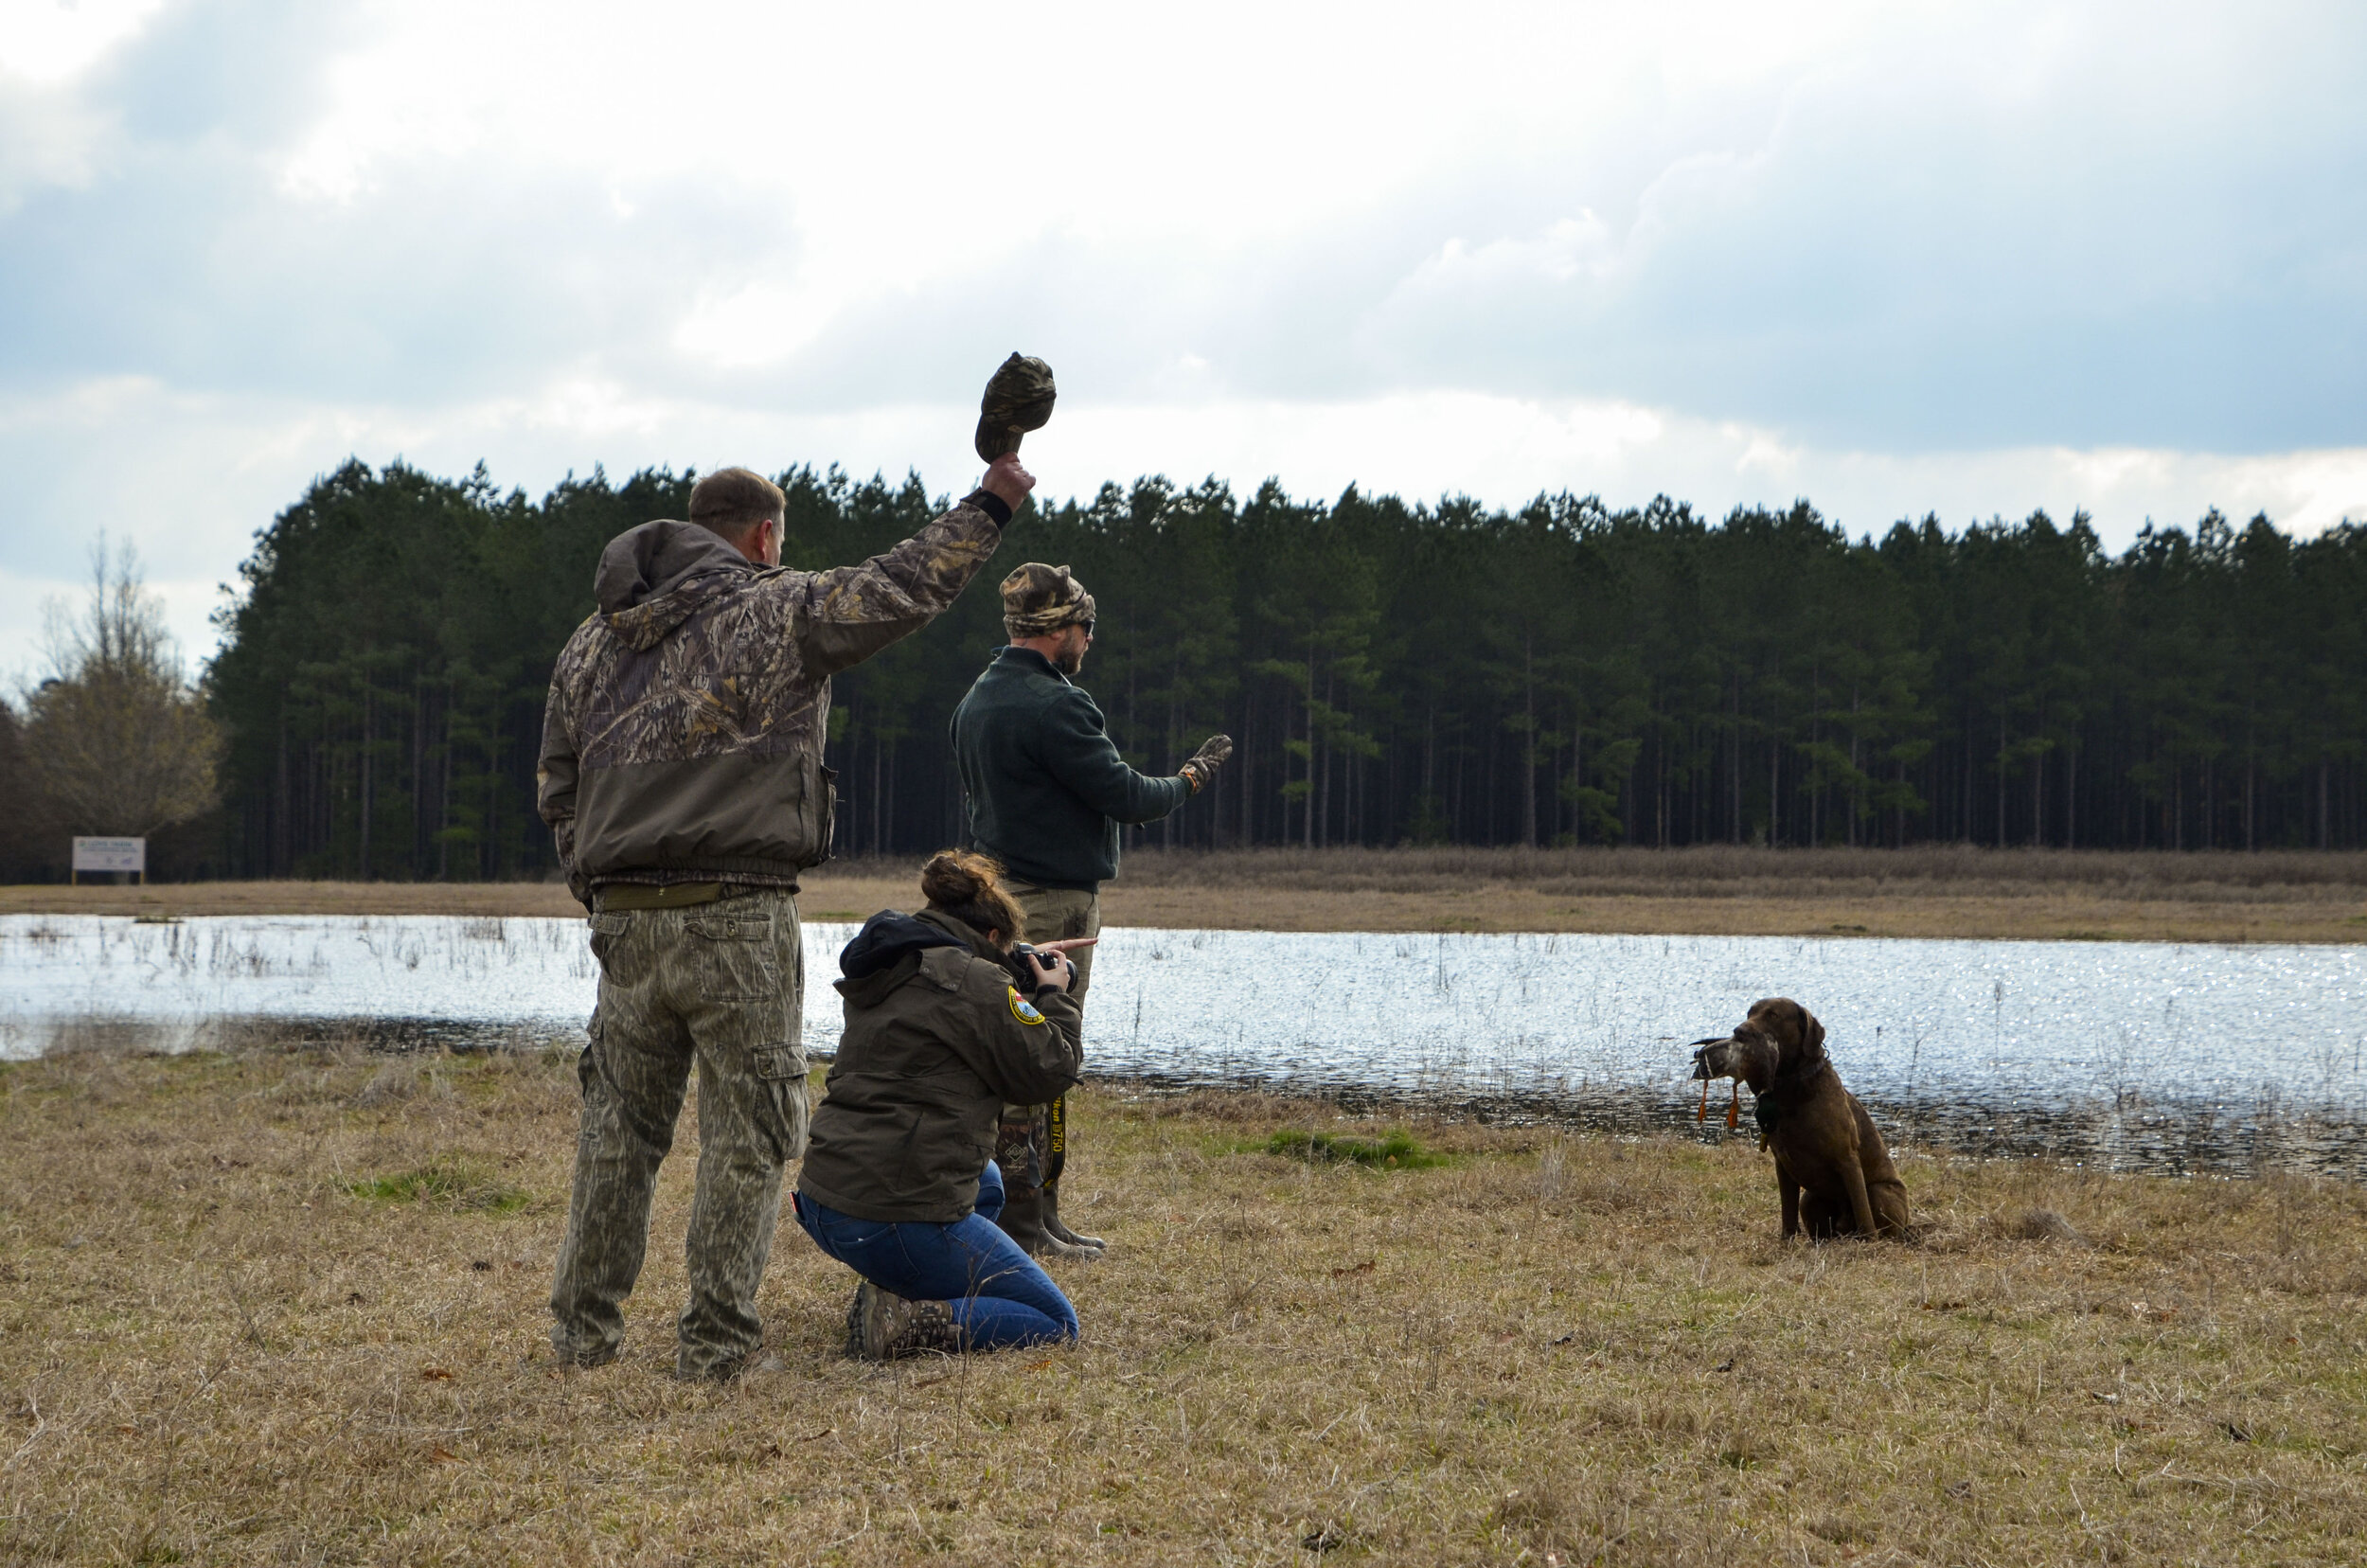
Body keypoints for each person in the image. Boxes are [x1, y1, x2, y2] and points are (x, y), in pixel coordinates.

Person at [535, 453, 1031, 1380]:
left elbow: (556, 787)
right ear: (764, 539)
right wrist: (991, 505)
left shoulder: (588, 646)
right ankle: (716, 1348)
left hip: (625, 926)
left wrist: (595, 884)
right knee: (750, 1131)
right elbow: (904, 585)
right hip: (737, 913)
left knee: (617, 1136)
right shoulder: (779, 605)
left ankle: (580, 1340)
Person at [949, 563, 1232, 1258]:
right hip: (1052, 911)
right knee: (1039, 1059)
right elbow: (1128, 796)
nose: (1090, 643)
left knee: (1026, 1058)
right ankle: (1024, 1227)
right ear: (1059, 631)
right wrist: (1189, 780)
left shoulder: (976, 700)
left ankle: (1039, 1216)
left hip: (1004, 898)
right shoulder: (1058, 706)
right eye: (1086, 629)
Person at [793, 850, 1091, 1359]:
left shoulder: (893, 961)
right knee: (1056, 1322)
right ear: (992, 938)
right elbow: (1050, 1070)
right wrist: (1053, 994)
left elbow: (958, 1004)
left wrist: (1010, 970)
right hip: (891, 1215)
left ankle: (894, 1284)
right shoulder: (975, 982)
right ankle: (904, 1322)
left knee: (988, 1183)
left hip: (825, 1201)